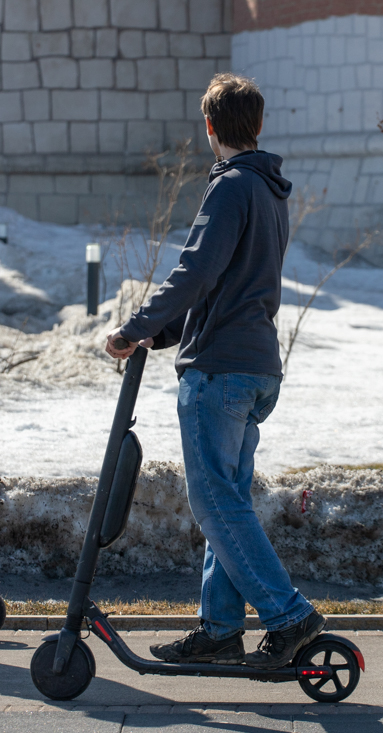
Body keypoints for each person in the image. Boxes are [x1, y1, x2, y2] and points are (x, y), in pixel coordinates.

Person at [105, 73, 325, 669]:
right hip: (255, 366)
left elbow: (196, 271)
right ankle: (221, 629)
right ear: (257, 125)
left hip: (221, 371)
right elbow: (230, 284)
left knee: (213, 502)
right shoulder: (268, 189)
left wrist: (135, 325)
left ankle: (288, 614)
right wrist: (168, 330)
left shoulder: (231, 187)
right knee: (228, 501)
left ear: (209, 126)